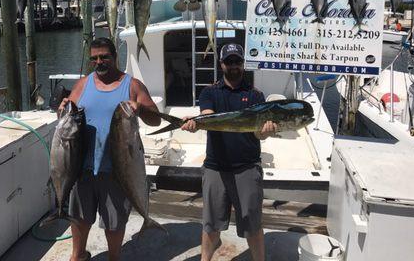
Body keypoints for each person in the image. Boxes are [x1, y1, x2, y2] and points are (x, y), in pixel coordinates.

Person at [58, 37, 161, 261]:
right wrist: (63, 109)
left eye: (104, 56)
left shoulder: (132, 85)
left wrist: (141, 108)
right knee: (79, 217)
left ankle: (114, 257)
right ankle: (78, 255)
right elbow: (67, 114)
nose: (99, 62)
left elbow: (156, 120)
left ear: (115, 57)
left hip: (118, 169)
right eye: (94, 58)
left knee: (114, 222)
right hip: (82, 166)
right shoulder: (83, 84)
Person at [181, 43, 277, 261]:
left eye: (237, 62)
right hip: (216, 167)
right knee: (211, 224)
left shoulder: (255, 96)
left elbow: (258, 135)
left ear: (243, 64)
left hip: (247, 167)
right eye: (229, 62)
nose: (234, 66)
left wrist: (266, 132)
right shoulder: (209, 92)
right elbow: (208, 115)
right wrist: (196, 122)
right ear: (221, 64)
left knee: (253, 224)